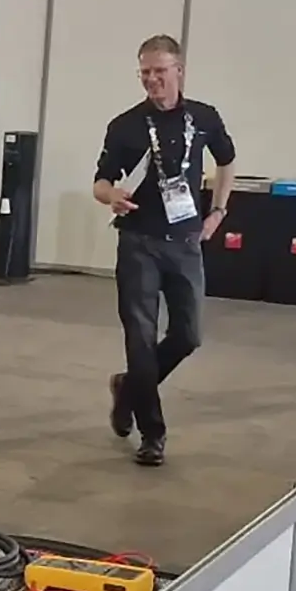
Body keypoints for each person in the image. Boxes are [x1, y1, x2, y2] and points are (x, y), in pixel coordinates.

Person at [93, 34, 236, 468]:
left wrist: (218, 212)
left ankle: (129, 388)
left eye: (160, 71)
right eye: (145, 72)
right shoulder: (125, 126)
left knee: (188, 335)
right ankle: (152, 433)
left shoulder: (205, 118)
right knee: (140, 338)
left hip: (186, 242)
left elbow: (227, 161)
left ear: (180, 71)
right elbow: (99, 181)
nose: (153, 80)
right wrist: (110, 195)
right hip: (138, 242)